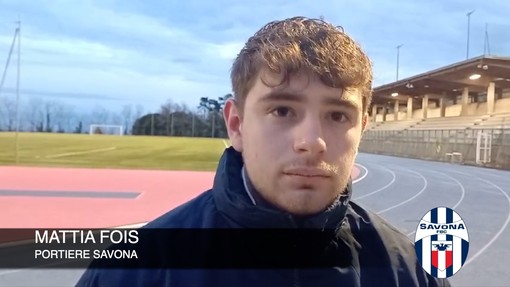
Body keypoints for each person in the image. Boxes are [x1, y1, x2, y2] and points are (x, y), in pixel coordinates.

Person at [76, 16, 450, 287]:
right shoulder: (138, 267)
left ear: (362, 129)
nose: (312, 141)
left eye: (337, 115)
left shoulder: (411, 271)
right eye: (282, 110)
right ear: (236, 125)